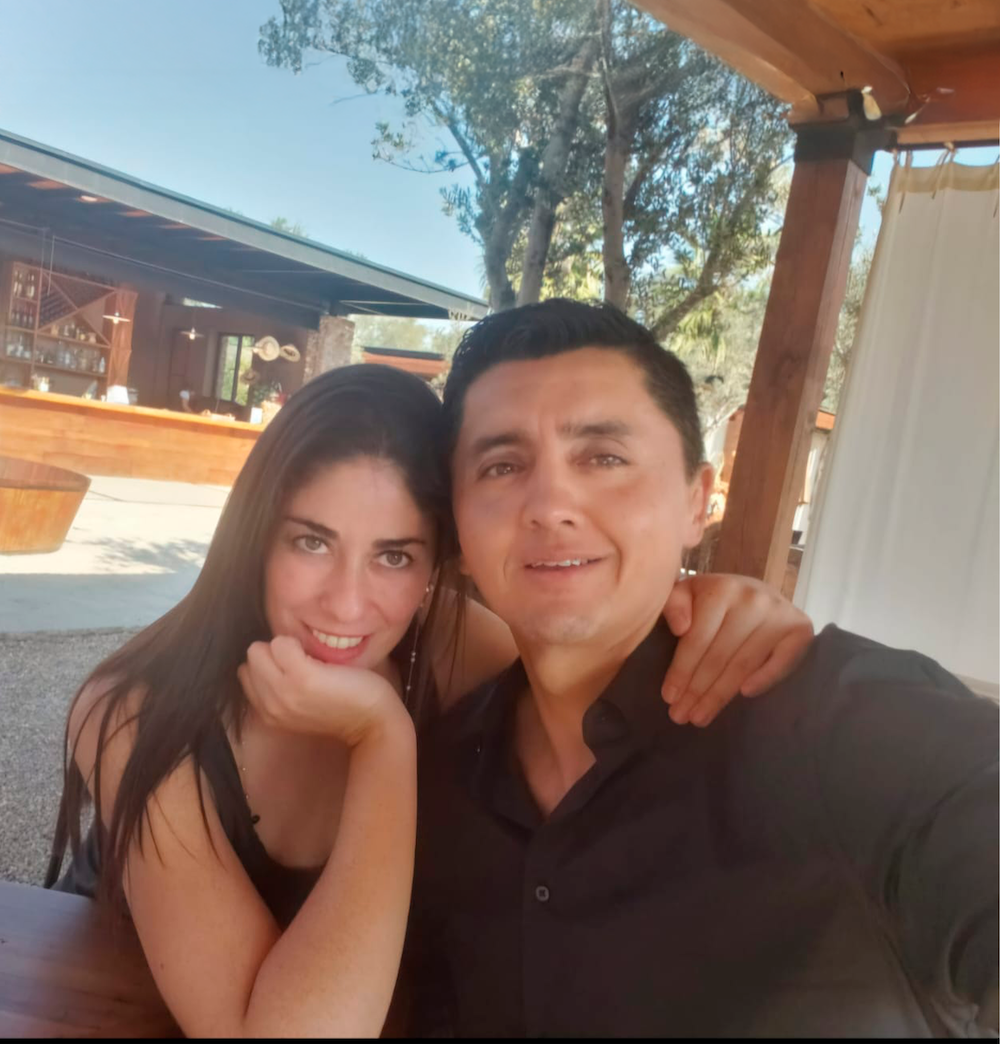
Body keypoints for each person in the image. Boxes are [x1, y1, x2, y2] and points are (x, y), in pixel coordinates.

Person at [47, 363, 813, 1038]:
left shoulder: (453, 649)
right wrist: (382, 736)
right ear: (254, 537)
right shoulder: (134, 712)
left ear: (439, 563)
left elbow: (613, 661)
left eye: (393, 556)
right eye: (311, 541)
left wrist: (720, 610)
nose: (347, 604)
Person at [410, 300, 999, 1039]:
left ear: (697, 501)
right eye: (502, 465)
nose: (550, 503)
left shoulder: (830, 720)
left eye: (604, 457)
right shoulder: (441, 776)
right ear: (460, 532)